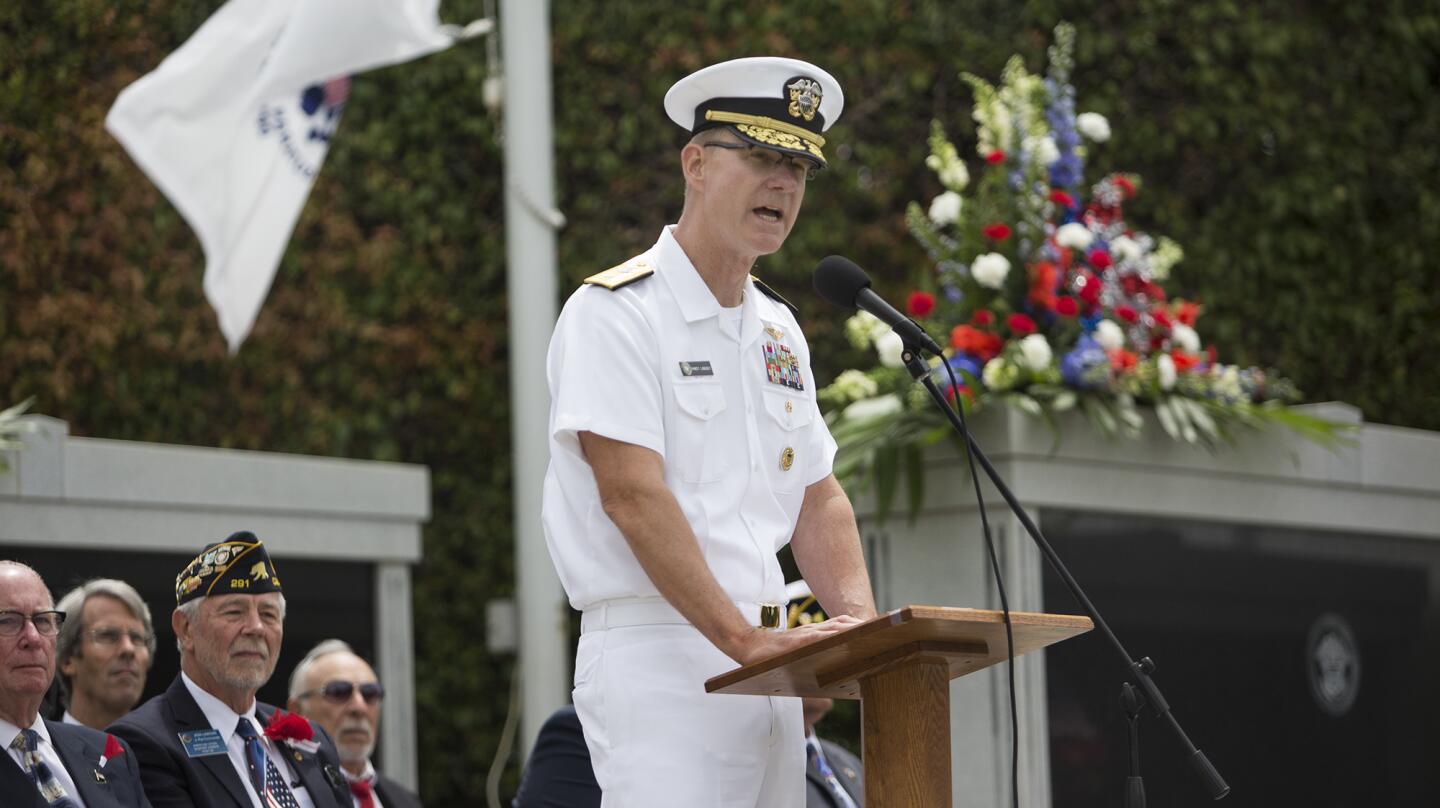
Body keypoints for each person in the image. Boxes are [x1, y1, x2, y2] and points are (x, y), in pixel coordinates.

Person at [541, 55, 878, 806]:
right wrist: (743, 642)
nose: (783, 183)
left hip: (771, 661)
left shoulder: (780, 328)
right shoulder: (616, 312)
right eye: (760, 156)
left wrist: (860, 629)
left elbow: (817, 496)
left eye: (798, 167)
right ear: (695, 162)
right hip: (661, 656)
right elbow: (631, 496)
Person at [108, 532, 353, 808]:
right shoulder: (143, 742)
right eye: (234, 612)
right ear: (185, 628)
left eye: (269, 615)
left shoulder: (312, 739)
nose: (256, 628)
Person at [0, 560, 152, 807]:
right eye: (7, 621)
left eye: (42, 621)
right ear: (68, 658)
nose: (33, 637)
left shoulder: (109, 752)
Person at [286, 639, 421, 808]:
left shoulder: (405, 800)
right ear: (297, 711)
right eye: (338, 692)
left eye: (370, 694)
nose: (359, 707)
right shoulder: (283, 792)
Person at [55, 579, 156, 731]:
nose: (128, 649)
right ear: (68, 659)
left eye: (137, 638)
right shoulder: (38, 752)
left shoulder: (164, 752)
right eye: (108, 636)